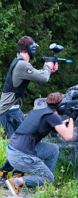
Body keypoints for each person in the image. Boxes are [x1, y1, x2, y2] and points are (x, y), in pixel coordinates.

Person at [0, 35, 58, 180]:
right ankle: (11, 176)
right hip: (8, 112)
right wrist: (48, 66)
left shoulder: (20, 62)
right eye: (34, 48)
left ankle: (10, 174)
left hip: (11, 110)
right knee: (21, 145)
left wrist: (49, 68)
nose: (35, 51)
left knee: (21, 144)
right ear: (28, 49)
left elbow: (39, 75)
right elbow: (44, 78)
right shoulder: (22, 65)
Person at [5, 92, 74, 196]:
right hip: (21, 156)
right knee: (48, 178)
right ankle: (15, 182)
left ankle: (44, 186)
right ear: (61, 106)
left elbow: (55, 127)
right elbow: (68, 136)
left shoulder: (39, 112)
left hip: (12, 151)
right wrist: (72, 119)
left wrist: (64, 123)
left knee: (53, 150)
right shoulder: (52, 116)